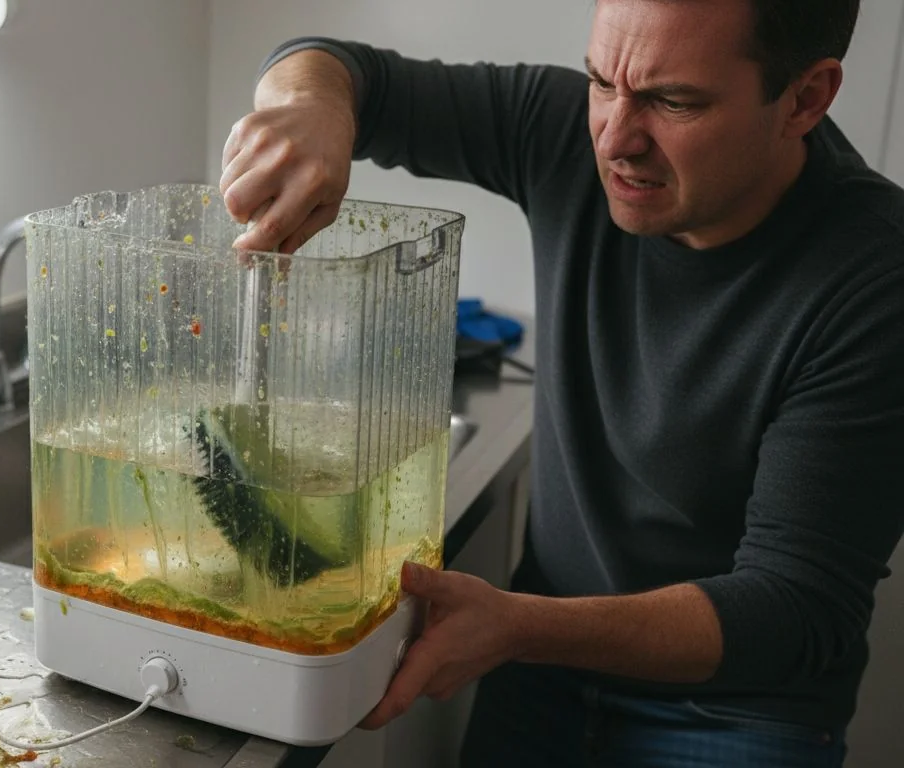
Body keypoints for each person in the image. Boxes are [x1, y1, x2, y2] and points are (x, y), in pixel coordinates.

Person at [219, 0, 904, 765]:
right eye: (601, 80)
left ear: (806, 98)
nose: (614, 139)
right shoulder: (562, 132)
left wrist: (521, 625)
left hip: (736, 715)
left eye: (673, 101)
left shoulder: (874, 278)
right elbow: (335, 64)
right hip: (542, 675)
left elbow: (794, 610)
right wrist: (312, 107)